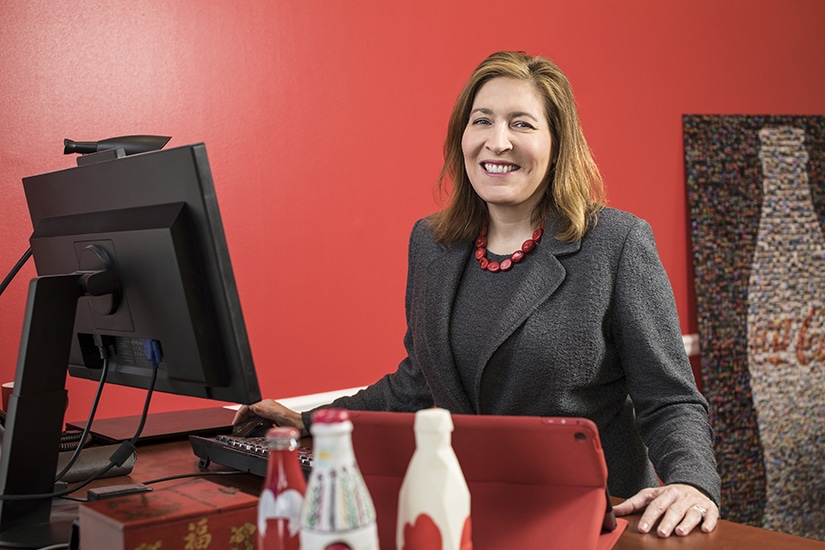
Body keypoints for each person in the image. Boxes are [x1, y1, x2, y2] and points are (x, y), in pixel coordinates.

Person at [235, 51, 721, 538]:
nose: (498, 141)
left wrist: (692, 482)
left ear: (557, 143)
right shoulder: (432, 244)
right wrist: (310, 421)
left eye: (522, 124)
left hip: (590, 521)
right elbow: (418, 385)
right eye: (481, 120)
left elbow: (670, 397)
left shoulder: (616, 243)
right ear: (462, 137)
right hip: (468, 512)